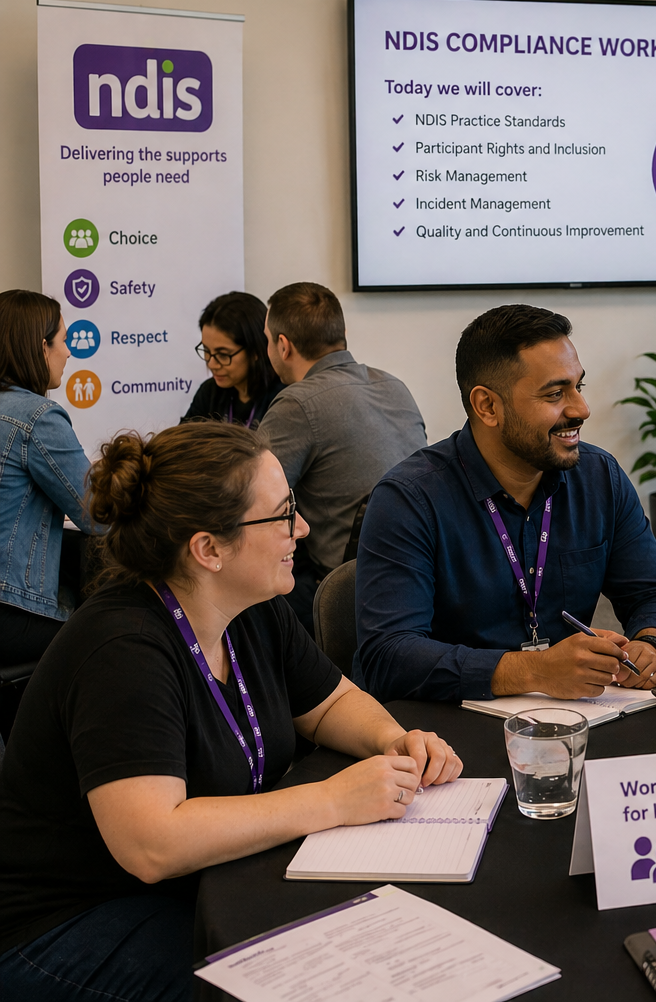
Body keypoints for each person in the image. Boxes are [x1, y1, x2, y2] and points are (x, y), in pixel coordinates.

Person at [0, 422, 462, 1002]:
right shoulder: (122, 650)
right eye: (282, 514)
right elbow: (153, 845)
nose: (303, 527)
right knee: (306, 978)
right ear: (209, 549)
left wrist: (394, 742)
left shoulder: (253, 606)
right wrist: (331, 800)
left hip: (191, 887)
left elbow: (331, 703)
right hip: (69, 924)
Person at [354, 304, 656, 703]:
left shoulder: (598, 477)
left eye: (578, 387)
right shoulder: (410, 500)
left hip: (571, 718)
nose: (581, 410)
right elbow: (388, 657)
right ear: (488, 407)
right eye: (554, 393)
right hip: (448, 733)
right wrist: (534, 670)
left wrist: (653, 645)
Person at [261, 281, 426, 633]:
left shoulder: (297, 403)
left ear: (283, 345)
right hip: (424, 576)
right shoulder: (395, 385)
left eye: (267, 340)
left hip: (348, 590)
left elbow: (251, 498)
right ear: (342, 333)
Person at [0, 290, 95, 680]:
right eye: (64, 341)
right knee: (118, 636)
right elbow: (99, 514)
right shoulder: (36, 417)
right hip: (11, 611)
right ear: (42, 347)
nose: (69, 353)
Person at [181, 291, 283, 427]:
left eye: (223, 355)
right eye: (206, 350)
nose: (212, 364)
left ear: (255, 351)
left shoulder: (283, 399)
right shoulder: (210, 392)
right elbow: (180, 445)